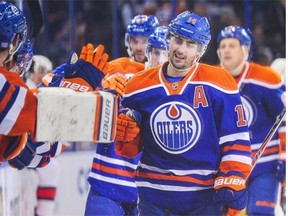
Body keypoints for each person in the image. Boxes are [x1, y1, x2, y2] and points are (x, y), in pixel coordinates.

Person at [115, 11, 252, 216]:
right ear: (169, 40)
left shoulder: (218, 82)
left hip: (203, 198)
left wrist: (233, 177)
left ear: (200, 51)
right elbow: (129, 151)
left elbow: (235, 137)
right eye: (178, 40)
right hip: (153, 196)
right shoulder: (138, 85)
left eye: (190, 44)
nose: (181, 49)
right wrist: (127, 135)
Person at [84, 15, 162, 216]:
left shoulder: (173, 82)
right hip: (108, 180)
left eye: (144, 41)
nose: (139, 47)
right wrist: (99, 93)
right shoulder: (114, 69)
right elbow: (87, 107)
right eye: (134, 40)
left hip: (149, 190)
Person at [216, 25, 286, 216]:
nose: (226, 50)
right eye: (222, 46)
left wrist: (284, 155)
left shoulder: (266, 78)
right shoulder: (211, 81)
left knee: (259, 213)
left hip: (265, 164)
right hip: (225, 166)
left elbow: (284, 119)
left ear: (245, 49)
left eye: (232, 45)